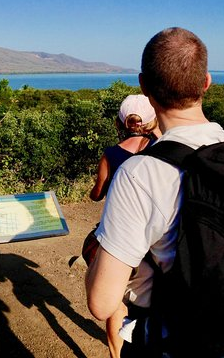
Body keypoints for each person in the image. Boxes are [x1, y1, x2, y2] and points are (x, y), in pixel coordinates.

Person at [84, 28, 224, 357]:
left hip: (168, 337)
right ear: (206, 83)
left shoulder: (139, 174)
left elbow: (102, 304)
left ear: (144, 87)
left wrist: (95, 253)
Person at [87, 94, 159, 358]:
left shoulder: (111, 155)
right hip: (155, 239)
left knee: (116, 300)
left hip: (120, 236)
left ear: (120, 122)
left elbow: (97, 193)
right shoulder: (162, 149)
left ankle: (116, 354)